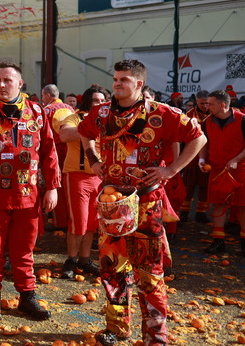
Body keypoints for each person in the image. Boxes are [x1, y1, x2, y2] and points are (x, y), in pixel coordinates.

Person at [78, 59, 206, 346]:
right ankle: (117, 328)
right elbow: (84, 133)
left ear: (139, 83)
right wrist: (93, 161)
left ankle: (155, 335)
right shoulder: (101, 112)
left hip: (146, 203)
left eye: (123, 80)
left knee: (150, 272)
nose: (117, 84)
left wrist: (171, 170)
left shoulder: (161, 113)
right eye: (115, 79)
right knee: (112, 269)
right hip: (111, 204)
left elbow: (198, 138)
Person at [0, 61, 60, 323]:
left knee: (24, 250)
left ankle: (27, 296)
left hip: (28, 194)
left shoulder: (36, 111)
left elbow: (49, 151)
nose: (1, 85)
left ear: (20, 83)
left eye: (7, 80)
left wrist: (52, 187)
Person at [56, 85, 106, 279]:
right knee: (79, 220)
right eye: (95, 100)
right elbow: (64, 135)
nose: (99, 104)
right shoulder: (75, 118)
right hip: (77, 175)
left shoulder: (109, 120)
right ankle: (71, 259)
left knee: (93, 221)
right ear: (87, 102)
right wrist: (88, 128)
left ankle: (84, 259)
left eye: (102, 101)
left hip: (99, 178)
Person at [201, 90, 245, 258]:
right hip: (217, 168)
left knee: (243, 205)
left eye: (211, 104)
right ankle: (218, 241)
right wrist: (201, 160)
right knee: (218, 204)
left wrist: (236, 160)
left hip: (240, 169)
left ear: (222, 105)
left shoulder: (242, 119)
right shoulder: (207, 121)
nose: (207, 107)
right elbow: (203, 143)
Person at [42, 84, 75, 231]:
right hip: (70, 152)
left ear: (48, 96)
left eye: (43, 96)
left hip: (53, 153)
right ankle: (69, 221)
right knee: (68, 189)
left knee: (54, 187)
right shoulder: (71, 109)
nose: (43, 99)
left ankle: (59, 222)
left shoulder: (46, 110)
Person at [180, 90, 211, 223]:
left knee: (205, 186)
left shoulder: (213, 113)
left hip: (209, 154)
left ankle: (201, 212)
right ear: (196, 101)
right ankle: (184, 212)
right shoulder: (189, 114)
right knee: (189, 185)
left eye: (207, 103)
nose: (205, 106)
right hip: (192, 154)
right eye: (202, 103)